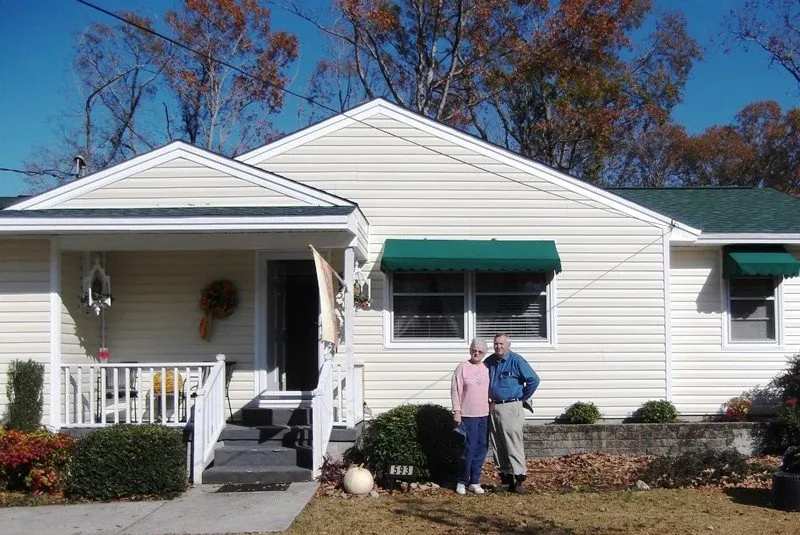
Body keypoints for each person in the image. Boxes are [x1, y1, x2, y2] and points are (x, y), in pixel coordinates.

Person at [484, 333, 540, 494]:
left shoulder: (516, 360)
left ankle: (519, 478)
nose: (498, 346)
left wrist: (522, 397)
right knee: (498, 443)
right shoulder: (490, 362)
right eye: (496, 344)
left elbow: (533, 380)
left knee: (513, 443)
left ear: (508, 344)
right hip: (494, 406)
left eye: (501, 344)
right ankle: (505, 478)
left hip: (511, 406)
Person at [450, 338, 490, 495]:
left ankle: (475, 481)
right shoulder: (462, 367)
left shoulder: (487, 368)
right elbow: (455, 390)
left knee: (481, 448)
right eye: (474, 350)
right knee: (468, 448)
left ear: (484, 353)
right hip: (468, 415)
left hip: (485, 415)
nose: (477, 353)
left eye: (480, 351)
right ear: (470, 350)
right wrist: (457, 411)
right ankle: (462, 481)